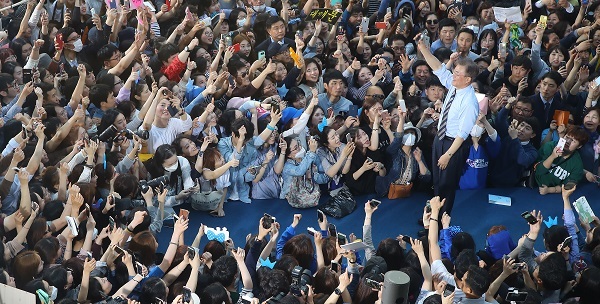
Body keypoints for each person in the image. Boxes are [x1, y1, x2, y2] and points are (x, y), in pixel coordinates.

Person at [417, 32, 479, 215]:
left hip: (453, 145)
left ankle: (442, 220)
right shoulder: (453, 86)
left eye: (458, 73)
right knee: (437, 183)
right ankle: (432, 217)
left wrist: (448, 155)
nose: (453, 74)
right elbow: (438, 68)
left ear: (467, 79)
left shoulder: (470, 101)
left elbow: (463, 133)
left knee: (446, 185)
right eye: (455, 71)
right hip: (440, 138)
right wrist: (423, 50)